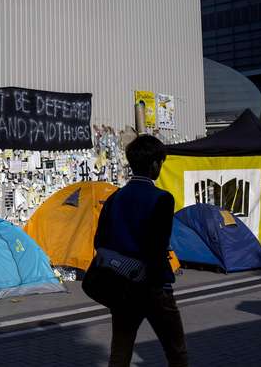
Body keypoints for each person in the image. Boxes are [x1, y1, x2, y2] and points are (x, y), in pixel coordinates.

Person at [94, 134, 188, 367]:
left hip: (122, 286)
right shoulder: (162, 199)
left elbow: (99, 241)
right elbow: (157, 246)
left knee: (120, 351)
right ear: (155, 164)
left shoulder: (115, 198)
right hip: (154, 287)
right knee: (176, 351)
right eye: (161, 163)